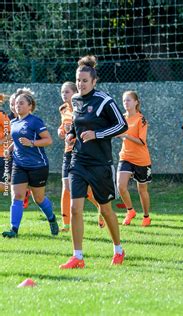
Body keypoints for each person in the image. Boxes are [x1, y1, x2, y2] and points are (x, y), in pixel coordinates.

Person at [59, 55, 128, 269]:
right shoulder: (76, 100)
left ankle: (118, 248)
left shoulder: (104, 101)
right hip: (78, 161)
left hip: (100, 164)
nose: (80, 84)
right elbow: (77, 125)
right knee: (75, 207)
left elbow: (122, 126)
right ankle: (77, 256)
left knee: (106, 209)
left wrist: (97, 135)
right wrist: (71, 134)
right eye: (78, 80)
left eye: (84, 81)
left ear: (94, 81)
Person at [2, 88, 59, 238]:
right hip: (19, 165)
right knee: (17, 196)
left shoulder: (35, 121)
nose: (17, 106)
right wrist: (9, 148)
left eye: (21, 103)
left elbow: (48, 140)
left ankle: (52, 219)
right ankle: (13, 230)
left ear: (30, 106)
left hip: (37, 166)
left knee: (38, 199)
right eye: (16, 104)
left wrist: (32, 143)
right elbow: (17, 141)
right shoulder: (13, 122)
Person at [57, 81, 103, 232]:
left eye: (67, 92)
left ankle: (102, 209)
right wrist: (61, 131)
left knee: (86, 190)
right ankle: (66, 224)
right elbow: (63, 126)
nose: (64, 95)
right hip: (68, 152)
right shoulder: (63, 109)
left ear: (75, 92)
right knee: (66, 187)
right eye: (62, 92)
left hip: (82, 151)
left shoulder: (82, 107)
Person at [117, 91, 153, 227]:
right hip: (125, 156)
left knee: (142, 190)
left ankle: (146, 217)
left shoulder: (141, 119)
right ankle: (130, 211)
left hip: (141, 159)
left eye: (129, 100)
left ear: (136, 102)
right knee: (120, 186)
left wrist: (125, 135)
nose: (126, 103)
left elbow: (141, 141)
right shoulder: (121, 118)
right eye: (124, 101)